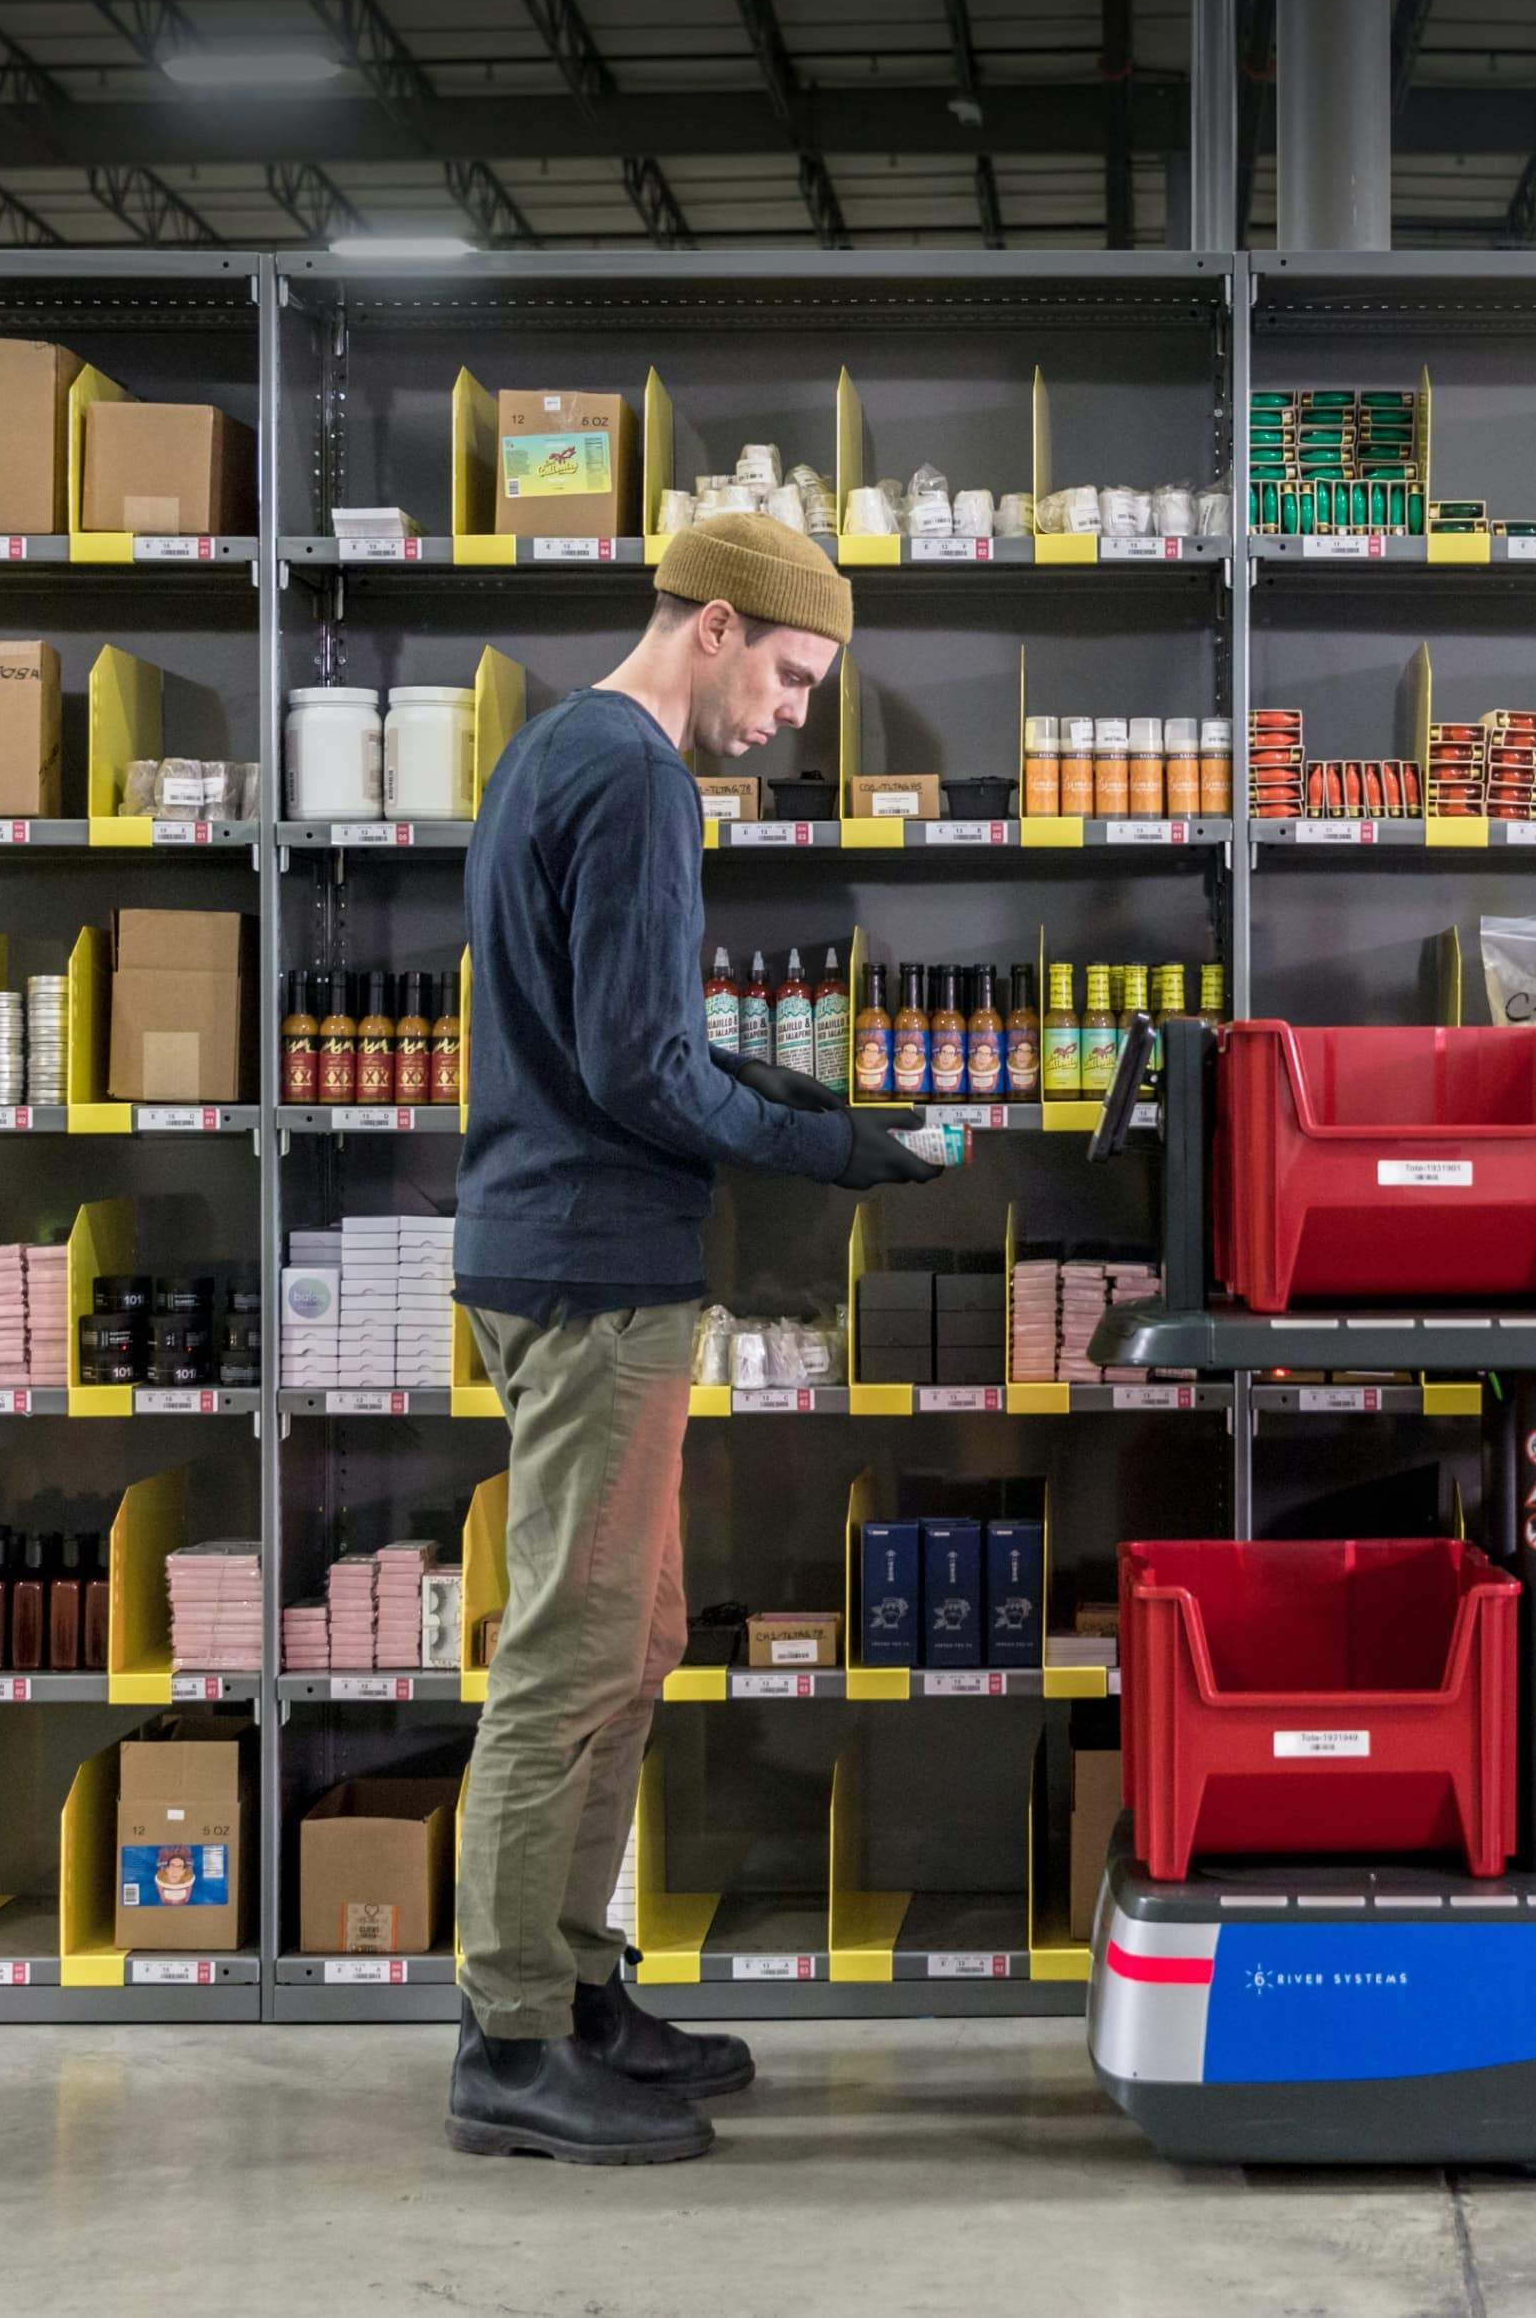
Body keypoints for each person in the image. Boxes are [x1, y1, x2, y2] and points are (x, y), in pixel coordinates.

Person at [443, 511, 938, 2165]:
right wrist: (823, 1142)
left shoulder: (550, 750)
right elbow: (645, 1068)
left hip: (574, 1251)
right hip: (594, 1274)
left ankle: (578, 1988)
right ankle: (510, 2038)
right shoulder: (641, 772)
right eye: (793, 675)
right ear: (715, 626)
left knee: (634, 1633)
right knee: (571, 1656)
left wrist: (761, 1089)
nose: (796, 712)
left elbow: (613, 1038)